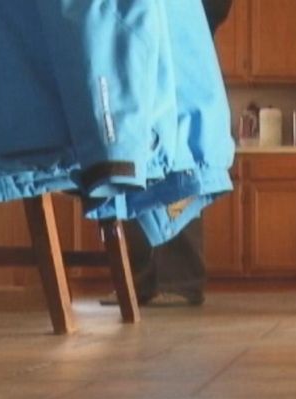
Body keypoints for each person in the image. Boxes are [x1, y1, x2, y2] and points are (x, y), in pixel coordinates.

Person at [108, 0, 233, 307]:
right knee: (139, 154)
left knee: (176, 153)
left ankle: (178, 280)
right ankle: (142, 280)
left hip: (179, 30)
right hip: (146, 33)